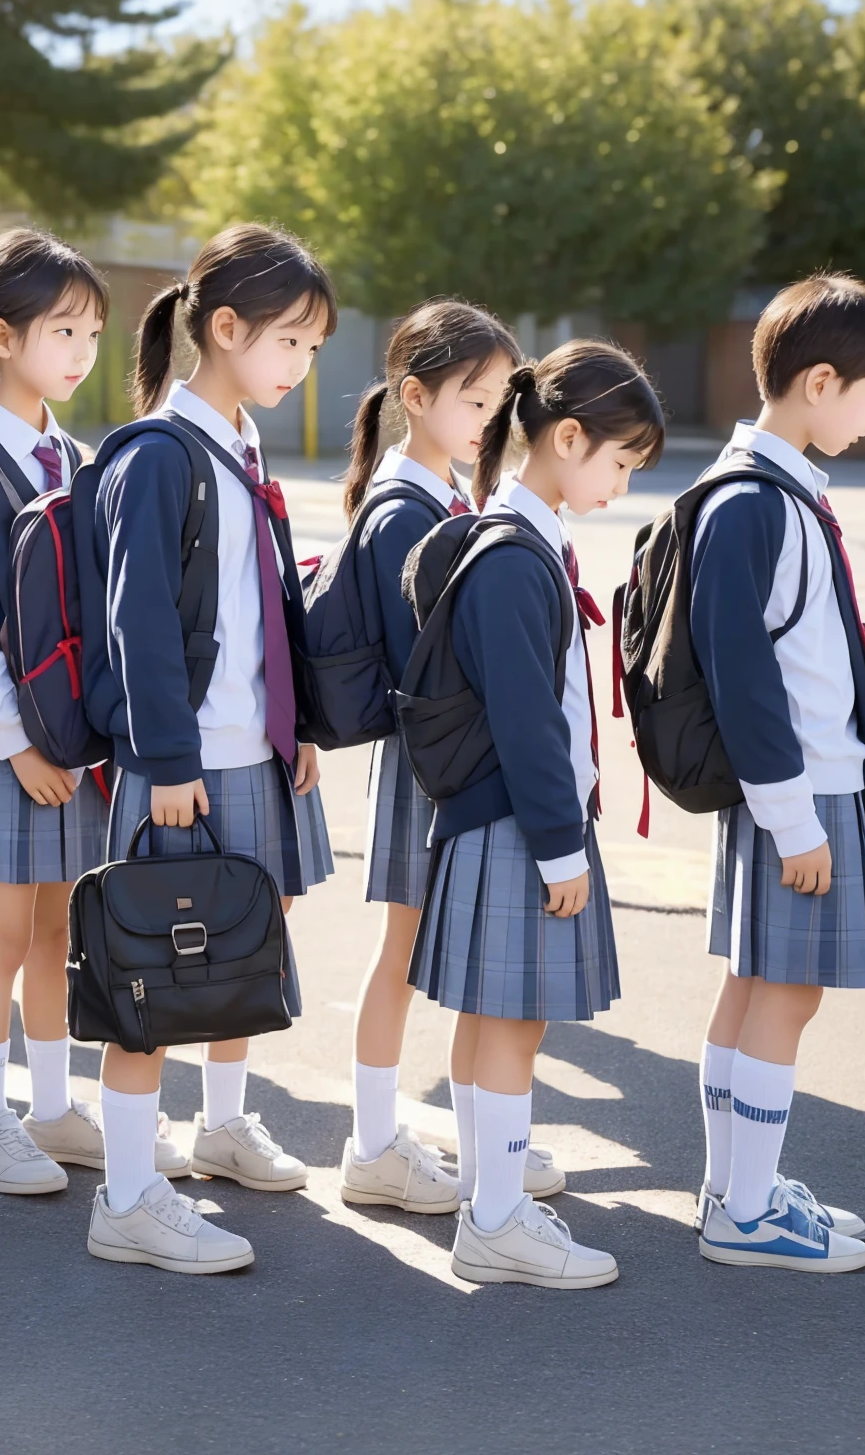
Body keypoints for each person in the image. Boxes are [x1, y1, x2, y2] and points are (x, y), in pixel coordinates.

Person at [84, 223, 336, 1273]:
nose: (301, 365)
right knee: (146, 976)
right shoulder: (157, 455)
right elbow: (140, 621)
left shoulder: (238, 442)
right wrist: (170, 761)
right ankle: (130, 1197)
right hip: (183, 756)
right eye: (291, 342)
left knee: (242, 947)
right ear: (224, 328)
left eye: (315, 349)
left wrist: (299, 725)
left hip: (254, 748)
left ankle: (220, 1128)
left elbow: (263, 604)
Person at [0, 229, 166, 1193]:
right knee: (6, 934)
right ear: (0, 337)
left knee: (61, 931)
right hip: (4, 743)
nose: (82, 350)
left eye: (93, 332)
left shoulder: (77, 454)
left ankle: (50, 1106)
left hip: (70, 744)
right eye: (64, 330)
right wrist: (16, 745)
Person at [411, 343, 663, 1289]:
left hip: (493, 820)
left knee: (490, 1021)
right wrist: (564, 849)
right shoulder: (518, 557)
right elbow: (528, 719)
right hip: (523, 824)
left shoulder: (514, 537)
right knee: (515, 1026)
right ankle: (499, 1218)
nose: (623, 482)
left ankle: (490, 1199)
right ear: (566, 437)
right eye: (620, 461)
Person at [692, 274, 865, 1273]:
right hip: (793, 790)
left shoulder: (772, 491)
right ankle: (744, 1213)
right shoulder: (760, 504)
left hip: (800, 788)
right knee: (787, 995)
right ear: (819, 381)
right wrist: (800, 818)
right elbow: (750, 680)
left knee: (756, 986)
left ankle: (735, 1187)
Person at [333, 299, 529, 1215]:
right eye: (474, 398)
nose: (491, 417)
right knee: (407, 952)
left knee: (429, 955)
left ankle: (475, 1144)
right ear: (415, 396)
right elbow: (436, 655)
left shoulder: (443, 493)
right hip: (431, 763)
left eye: (498, 400)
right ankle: (374, 1144)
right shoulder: (406, 505)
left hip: (436, 759)